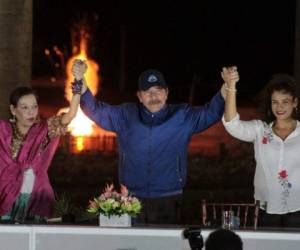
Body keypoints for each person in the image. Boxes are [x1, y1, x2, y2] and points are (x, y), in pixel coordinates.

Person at [74, 62, 228, 224]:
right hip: (131, 199)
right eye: (147, 92)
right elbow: (95, 109)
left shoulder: (182, 116)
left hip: (169, 198)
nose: (154, 97)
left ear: (166, 93)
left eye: (158, 91)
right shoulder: (126, 115)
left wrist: (227, 86)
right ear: (139, 96)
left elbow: (211, 112)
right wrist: (79, 79)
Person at [0, 59, 87, 223]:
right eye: (24, 107)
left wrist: (78, 81)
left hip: (37, 198)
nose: (31, 112)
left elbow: (70, 115)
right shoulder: (2, 132)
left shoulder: (44, 130)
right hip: (5, 198)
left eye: (34, 106)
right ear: (13, 110)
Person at [222, 67, 300, 227]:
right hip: (266, 209)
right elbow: (232, 124)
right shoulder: (260, 130)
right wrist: (231, 86)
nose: (280, 107)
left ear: (295, 103)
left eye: (285, 101)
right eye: (275, 102)